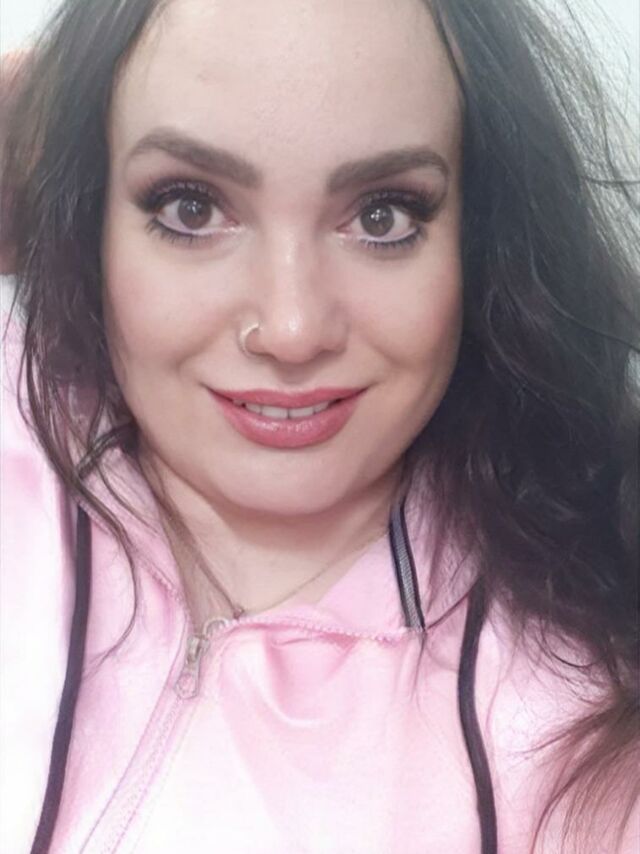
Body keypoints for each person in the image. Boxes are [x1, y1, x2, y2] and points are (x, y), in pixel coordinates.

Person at [1, 0, 638, 851]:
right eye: (191, 208)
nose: (293, 329)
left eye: (382, 216)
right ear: (90, 222)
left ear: (479, 243)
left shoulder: (587, 722)